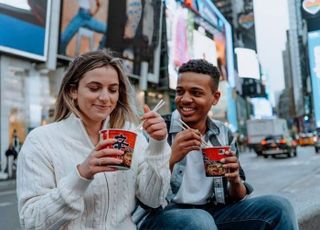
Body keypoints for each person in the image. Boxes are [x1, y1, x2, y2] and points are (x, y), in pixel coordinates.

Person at [16, 50, 171, 229]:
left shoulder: (130, 133)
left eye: (113, 90)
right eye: (94, 88)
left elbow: (152, 199)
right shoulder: (41, 140)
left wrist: (158, 145)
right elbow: (32, 221)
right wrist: (82, 175)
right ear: (73, 90)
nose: (105, 98)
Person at [139, 59, 298, 230]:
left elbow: (237, 196)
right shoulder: (157, 130)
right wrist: (170, 159)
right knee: (199, 221)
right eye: (180, 91)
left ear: (215, 98)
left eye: (196, 93)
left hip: (214, 212)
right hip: (164, 216)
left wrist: (235, 180)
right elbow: (146, 202)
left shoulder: (223, 133)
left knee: (280, 207)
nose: (185, 99)